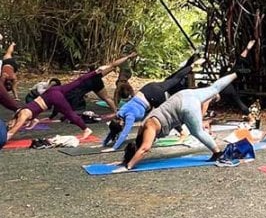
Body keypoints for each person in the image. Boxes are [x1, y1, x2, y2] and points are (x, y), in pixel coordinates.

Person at [114, 72, 238, 170]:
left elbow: (144, 149)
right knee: (213, 88)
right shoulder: (144, 126)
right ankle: (236, 73)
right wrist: (124, 161)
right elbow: (141, 146)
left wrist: (128, 166)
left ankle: (218, 153)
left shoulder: (149, 127)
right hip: (183, 96)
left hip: (185, 106)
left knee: (197, 132)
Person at [5, 54, 135, 141]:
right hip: (54, 92)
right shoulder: (21, 112)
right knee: (78, 84)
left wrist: (6, 136)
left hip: (56, 96)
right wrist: (34, 120)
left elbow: (13, 131)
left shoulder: (22, 115)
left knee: (69, 112)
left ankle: (86, 129)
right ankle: (106, 115)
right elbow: (24, 118)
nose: (11, 125)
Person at [102, 54, 205, 152]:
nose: (123, 126)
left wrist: (114, 148)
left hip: (154, 97)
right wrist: (104, 143)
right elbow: (113, 128)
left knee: (167, 114)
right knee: (174, 79)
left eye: (122, 126)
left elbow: (124, 133)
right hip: (147, 88)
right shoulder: (119, 113)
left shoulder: (129, 117)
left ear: (121, 123)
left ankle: (182, 132)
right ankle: (190, 65)